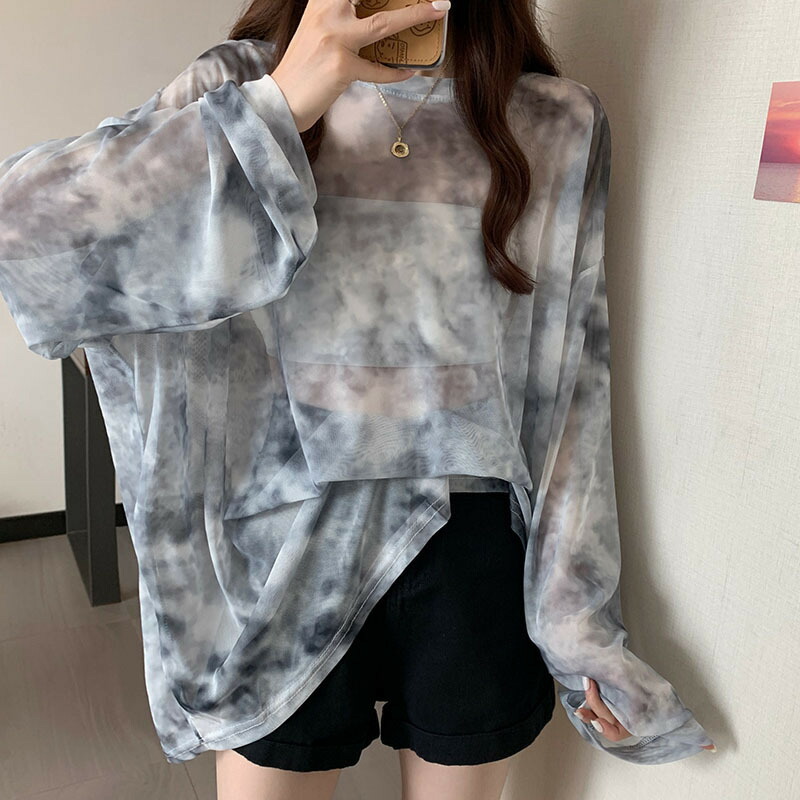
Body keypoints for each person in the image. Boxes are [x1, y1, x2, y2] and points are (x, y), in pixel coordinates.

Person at [0, 1, 716, 799]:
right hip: (277, 551)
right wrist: (279, 105)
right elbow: (27, 235)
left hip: (472, 553)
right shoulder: (241, 82)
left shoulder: (556, 121)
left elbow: (570, 389)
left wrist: (578, 622)